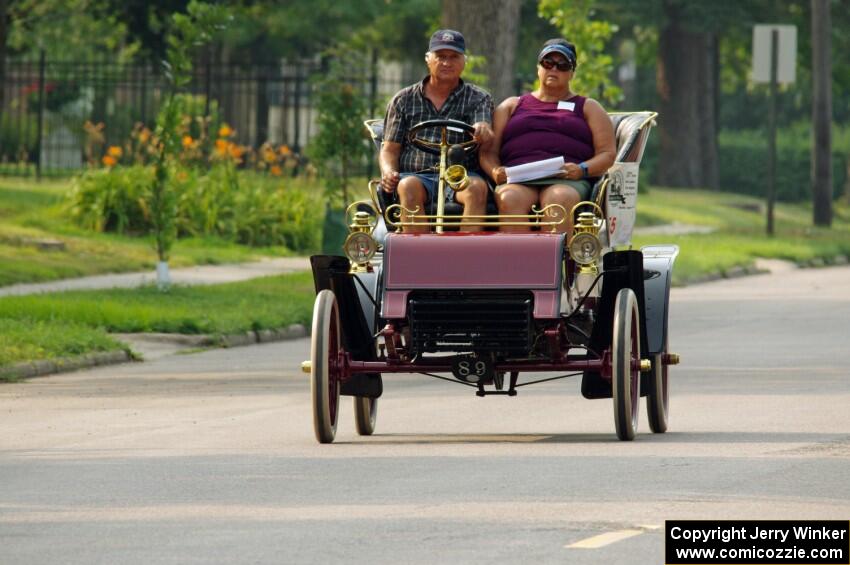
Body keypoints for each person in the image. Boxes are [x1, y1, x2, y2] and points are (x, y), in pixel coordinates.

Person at [480, 38, 616, 233]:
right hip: (519, 178)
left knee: (558, 200)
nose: (554, 69)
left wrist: (582, 169)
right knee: (509, 198)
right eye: (548, 63)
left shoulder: (588, 107)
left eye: (562, 65)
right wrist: (494, 171)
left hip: (567, 179)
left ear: (572, 73)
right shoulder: (511, 105)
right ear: (538, 68)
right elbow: (488, 152)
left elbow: (607, 153)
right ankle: (516, 263)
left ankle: (553, 262)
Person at [379, 29, 494, 232]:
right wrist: (388, 172)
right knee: (407, 187)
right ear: (428, 59)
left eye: (454, 57)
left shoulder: (479, 98)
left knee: (477, 188)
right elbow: (390, 149)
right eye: (440, 56)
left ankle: (468, 259)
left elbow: (483, 127)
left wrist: (483, 129)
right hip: (416, 175)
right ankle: (419, 258)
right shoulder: (403, 99)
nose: (447, 63)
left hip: (460, 175)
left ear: (464, 61)